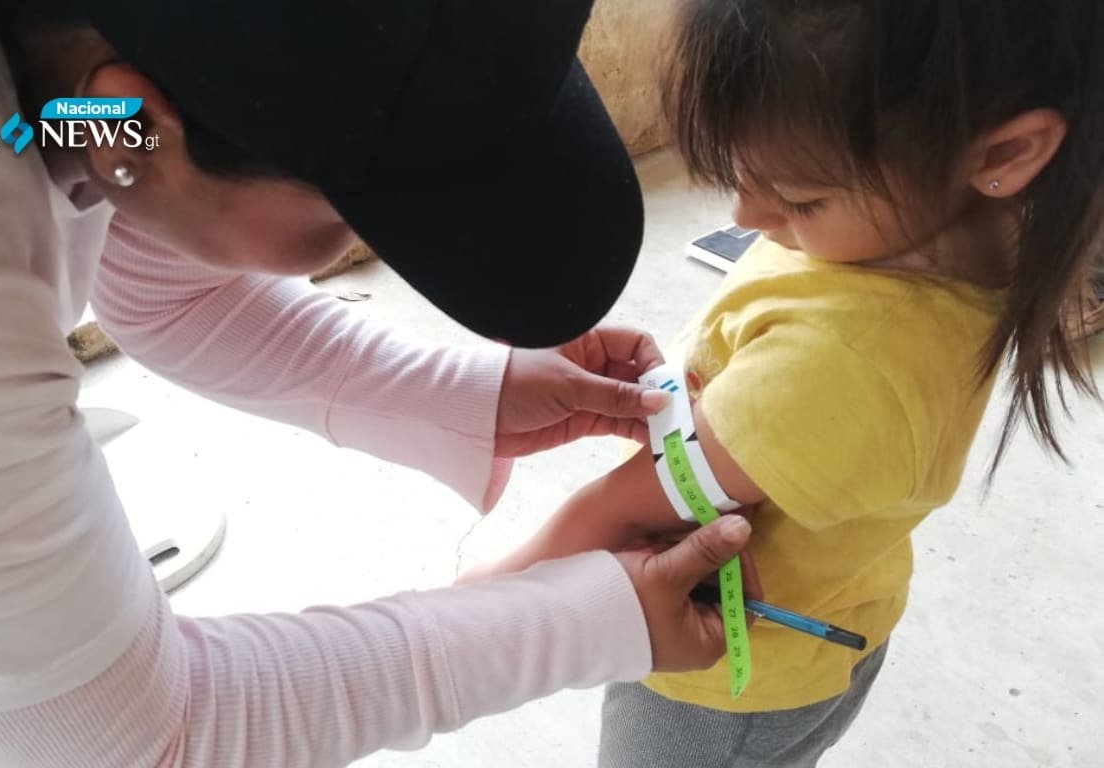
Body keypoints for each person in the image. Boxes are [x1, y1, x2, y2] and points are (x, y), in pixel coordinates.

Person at [0, 1, 758, 766]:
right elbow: (143, 735)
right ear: (129, 124)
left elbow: (157, 276)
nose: (373, 253)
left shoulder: (67, 71)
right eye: (356, 222)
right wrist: (589, 618)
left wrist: (464, 391)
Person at [471, 1, 1104, 766]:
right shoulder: (918, 236)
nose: (745, 212)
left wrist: (480, 604)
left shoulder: (849, 364)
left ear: (1004, 151)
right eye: (742, 174)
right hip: (833, 610)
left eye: (801, 198)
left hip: (724, 685)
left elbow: (620, 511)